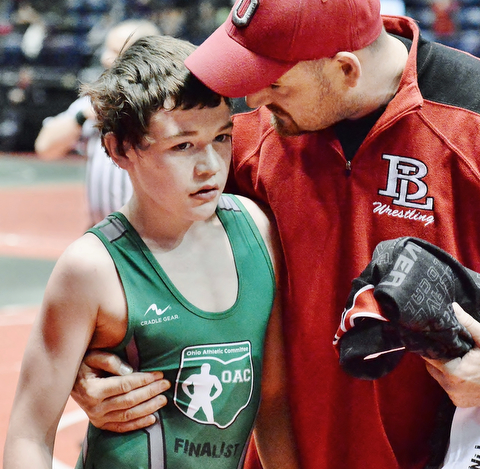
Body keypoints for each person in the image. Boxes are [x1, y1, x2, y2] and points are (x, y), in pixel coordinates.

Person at [71, 0, 480, 469]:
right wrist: (95, 363)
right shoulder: (237, 136)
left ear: (344, 69)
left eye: (274, 82)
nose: (253, 100)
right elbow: (144, 246)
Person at [3, 35, 297, 469]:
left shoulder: (255, 230)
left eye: (221, 137)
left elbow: (271, 402)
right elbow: (28, 434)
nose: (211, 167)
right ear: (120, 150)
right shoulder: (92, 268)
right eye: (182, 146)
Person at [34, 19, 160, 225]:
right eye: (106, 50)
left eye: (116, 51)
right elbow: (45, 148)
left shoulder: (167, 106)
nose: (105, 59)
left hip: (154, 239)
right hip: (103, 235)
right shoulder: (95, 102)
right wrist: (82, 116)